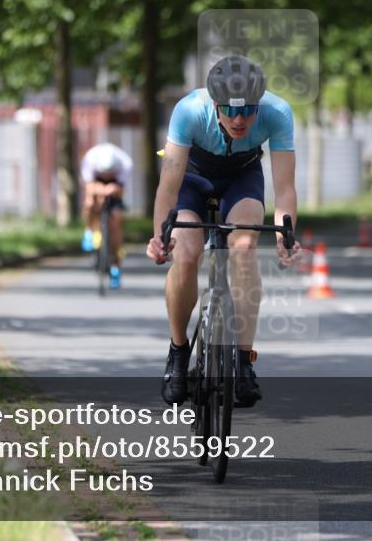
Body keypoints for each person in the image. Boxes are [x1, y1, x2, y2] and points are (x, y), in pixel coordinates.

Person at [146, 56, 301, 408]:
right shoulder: (188, 110)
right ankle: (178, 352)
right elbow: (168, 188)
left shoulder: (278, 112)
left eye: (248, 110)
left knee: (244, 247)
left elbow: (285, 187)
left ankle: (244, 363)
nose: (239, 119)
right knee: (186, 253)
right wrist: (160, 237)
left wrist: (284, 236)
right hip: (192, 178)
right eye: (230, 111)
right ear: (214, 104)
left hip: (241, 178)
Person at [80, 142, 133, 289]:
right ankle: (89, 231)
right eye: (103, 173)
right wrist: (102, 189)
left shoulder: (125, 163)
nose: (106, 176)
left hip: (114, 186)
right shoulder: (89, 160)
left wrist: (112, 189)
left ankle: (115, 265)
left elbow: (120, 189)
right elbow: (89, 186)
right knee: (90, 203)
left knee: (116, 219)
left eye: (109, 173)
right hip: (96, 185)